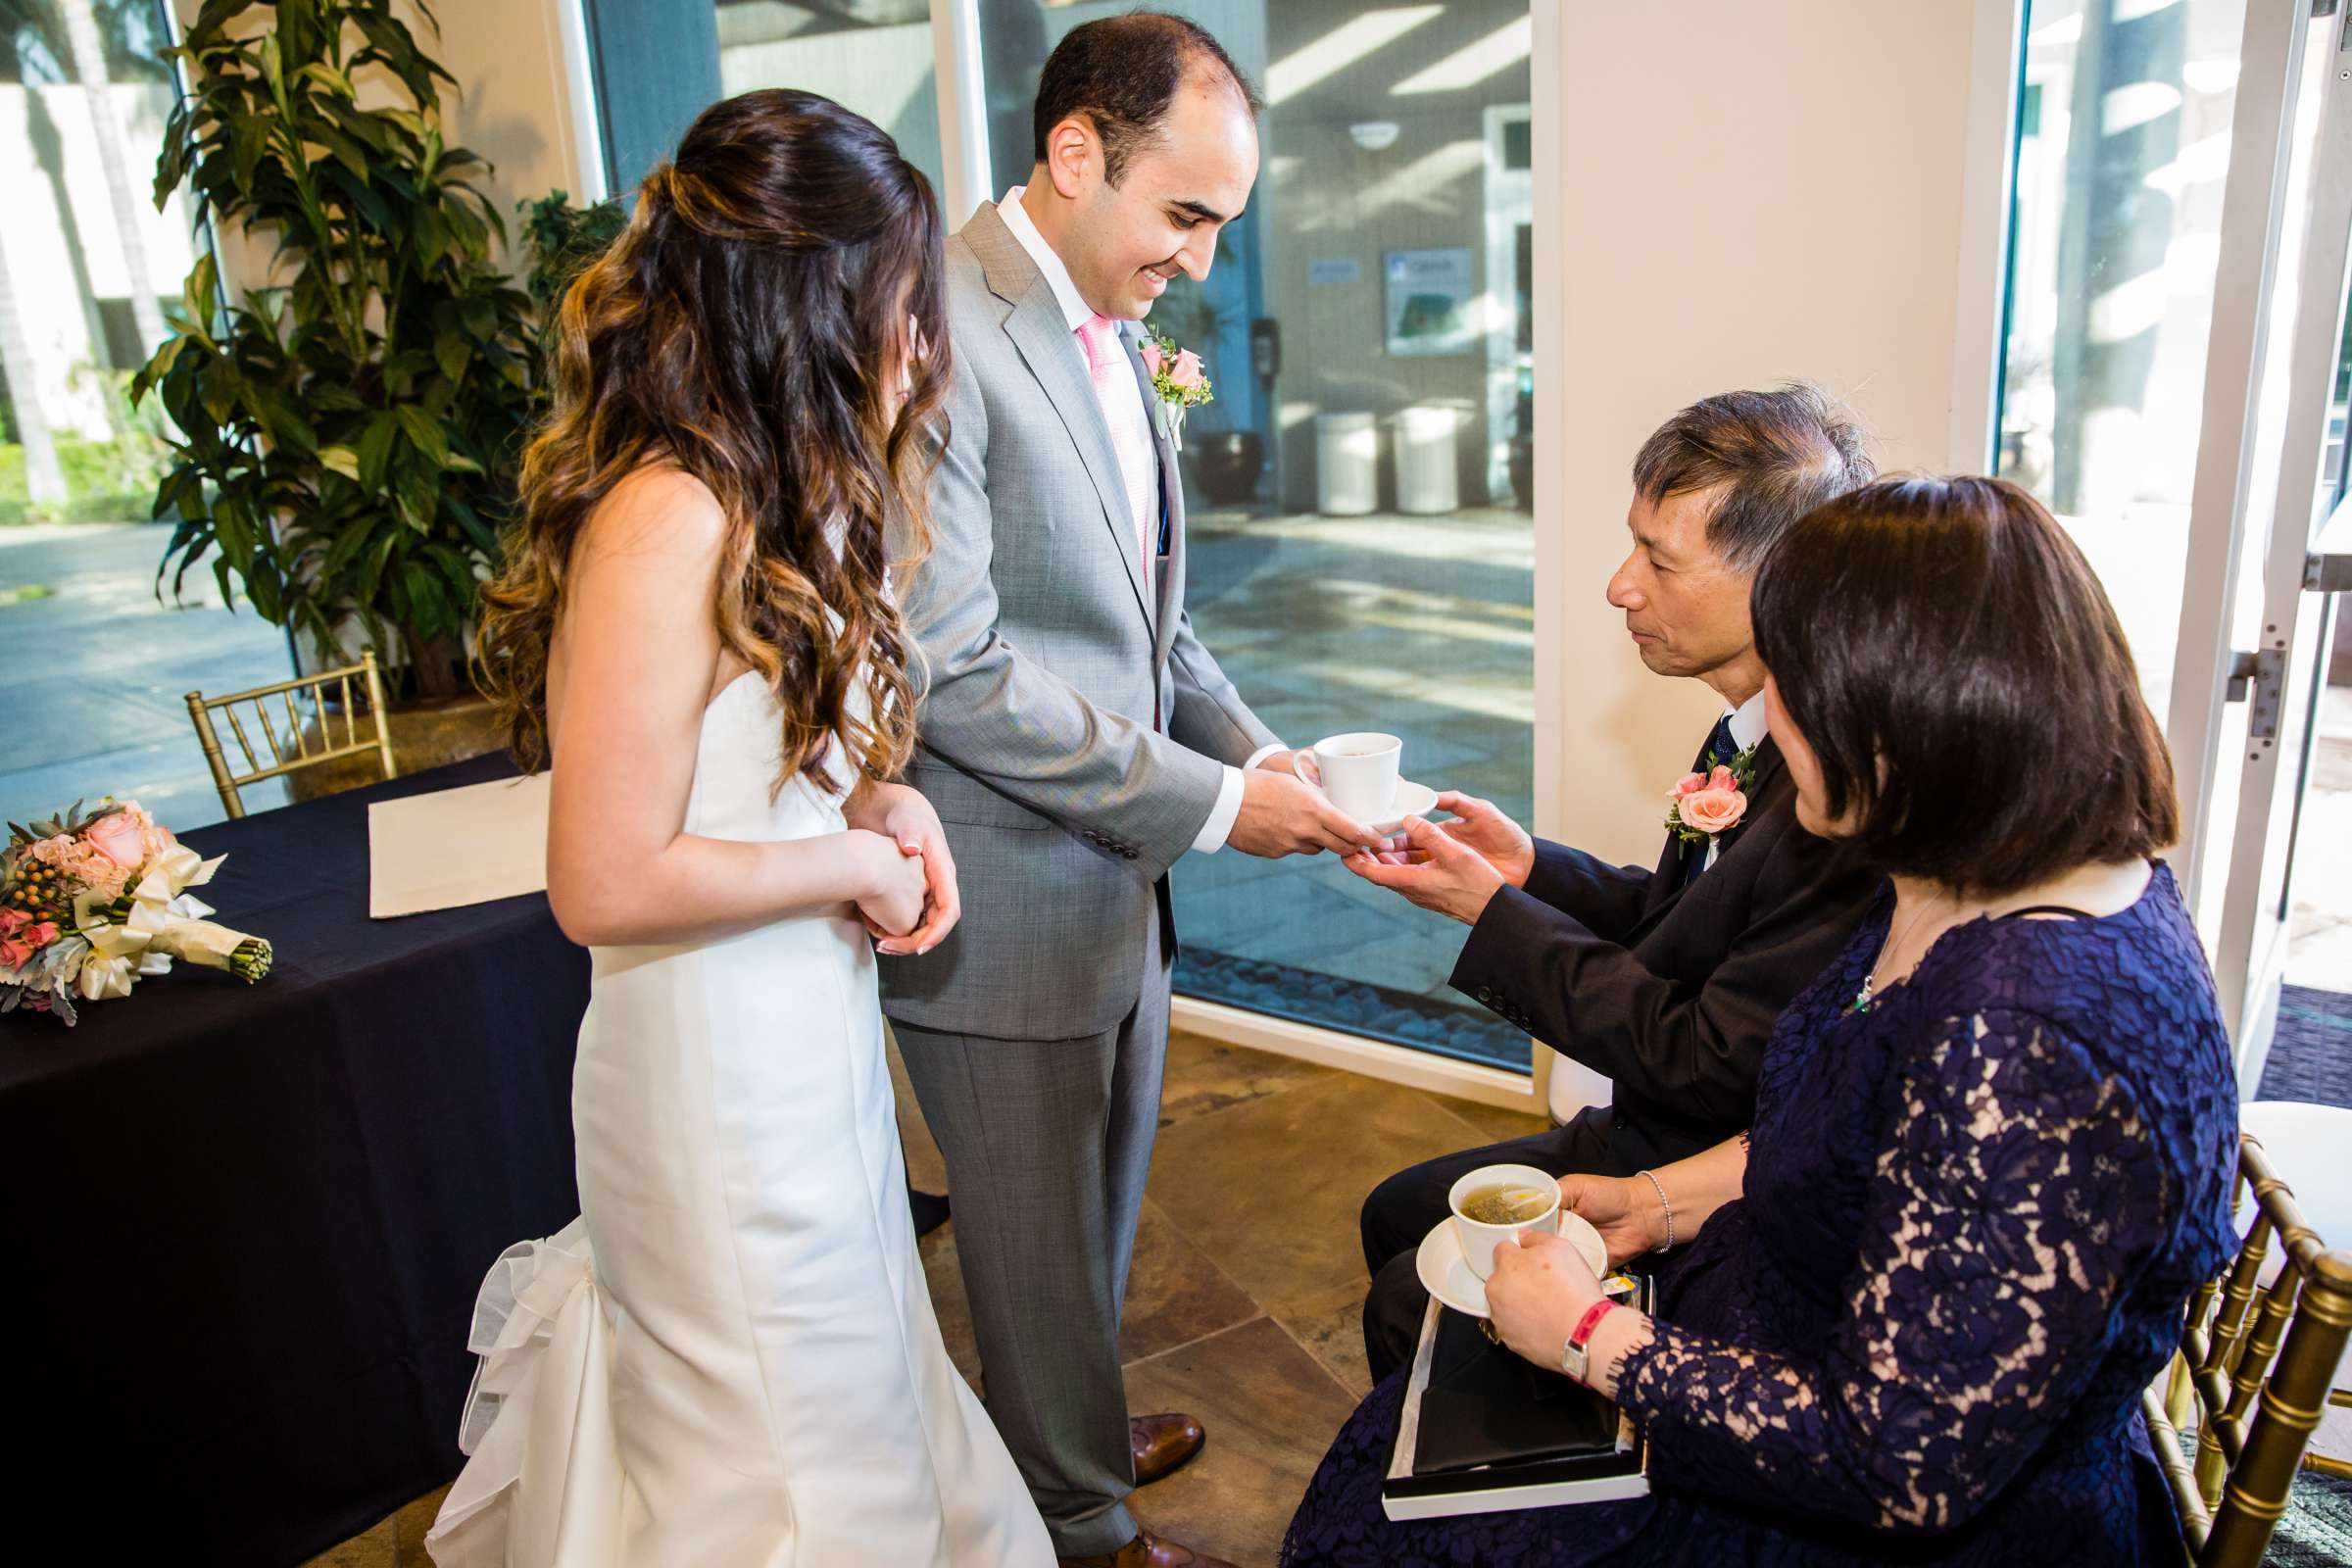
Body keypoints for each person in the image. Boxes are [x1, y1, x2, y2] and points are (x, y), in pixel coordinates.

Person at [1282, 474, 2240, 1566]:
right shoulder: (1978, 867)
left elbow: (1898, 1462)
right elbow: (1852, 1123)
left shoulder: (2030, 1039)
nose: (1771, 721)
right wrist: (1659, 1201)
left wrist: (1596, 1337)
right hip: (1772, 1304)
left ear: (1903, 721)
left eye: (1795, 688)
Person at [425, 92, 1051, 1566]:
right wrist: (852, 862)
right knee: (777, 1439)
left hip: (797, 1022)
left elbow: (780, 764)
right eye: (904, 303)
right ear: (808, 303)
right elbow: (601, 875)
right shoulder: (665, 516)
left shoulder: (772, 491)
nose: (924, 344)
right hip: (711, 1068)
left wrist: (882, 802)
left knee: (852, 1381)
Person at [880, 17, 1360, 1568]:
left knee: (1090, 1217)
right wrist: (1220, 813)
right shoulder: (932, 328)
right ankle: (1079, 1524)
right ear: (1076, 154)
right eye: (1187, 216)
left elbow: (1154, 619)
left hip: (1117, 882)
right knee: (1025, 1243)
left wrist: (1256, 752)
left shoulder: (1100, 310)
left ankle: (1062, 1425)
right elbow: (953, 669)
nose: (1205, 264)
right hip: (1003, 901)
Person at [1345, 384, 1883, 1382]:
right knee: (1391, 1213)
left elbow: (1704, 1057)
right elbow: (1688, 925)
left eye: (1660, 560)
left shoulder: (1829, 793)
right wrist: (1533, 868)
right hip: (1658, 1116)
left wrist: (1492, 916)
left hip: (1711, 1164)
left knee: (1404, 1291)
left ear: (1783, 585)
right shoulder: (1748, 728)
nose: (1617, 585)